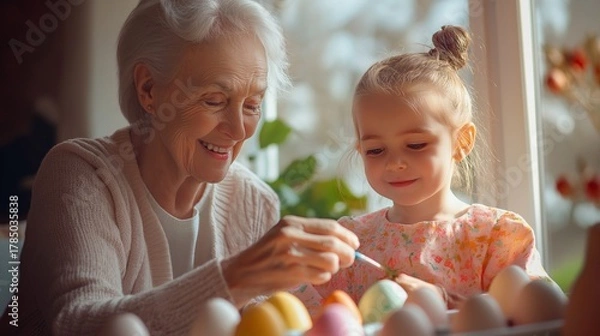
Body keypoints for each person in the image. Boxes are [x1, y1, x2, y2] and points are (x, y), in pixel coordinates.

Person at [0, 0, 359, 335]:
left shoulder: (254, 201)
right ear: (149, 90)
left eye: (252, 105)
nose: (237, 131)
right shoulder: (83, 175)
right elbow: (78, 321)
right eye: (214, 100)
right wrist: (238, 277)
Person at [294, 25, 552, 314]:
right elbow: (301, 318)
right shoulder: (351, 245)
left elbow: (536, 318)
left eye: (416, 145)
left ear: (461, 142)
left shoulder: (497, 237)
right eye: (376, 150)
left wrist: (446, 302)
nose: (394, 163)